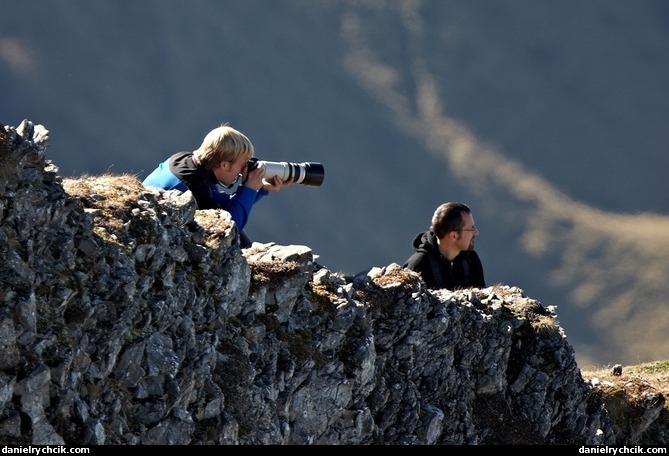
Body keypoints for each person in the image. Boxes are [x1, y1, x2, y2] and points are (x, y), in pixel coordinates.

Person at [142, 124, 293, 247]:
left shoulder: (184, 160)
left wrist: (259, 189)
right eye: (242, 165)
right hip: (155, 236)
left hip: (156, 219)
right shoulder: (192, 188)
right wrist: (249, 189)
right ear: (224, 165)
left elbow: (220, 208)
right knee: (241, 244)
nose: (243, 171)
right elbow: (228, 229)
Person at [403, 202, 485, 290]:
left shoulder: (471, 259)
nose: (476, 232)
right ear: (454, 235)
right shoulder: (417, 266)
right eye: (471, 228)